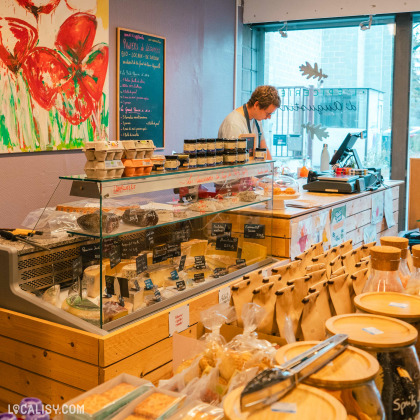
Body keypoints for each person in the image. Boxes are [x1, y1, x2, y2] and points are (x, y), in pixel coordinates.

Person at [218, 85, 280, 158]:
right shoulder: (234, 124)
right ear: (256, 105)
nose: (269, 117)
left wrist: (271, 168)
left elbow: (264, 148)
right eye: (267, 113)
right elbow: (233, 160)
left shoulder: (257, 120)